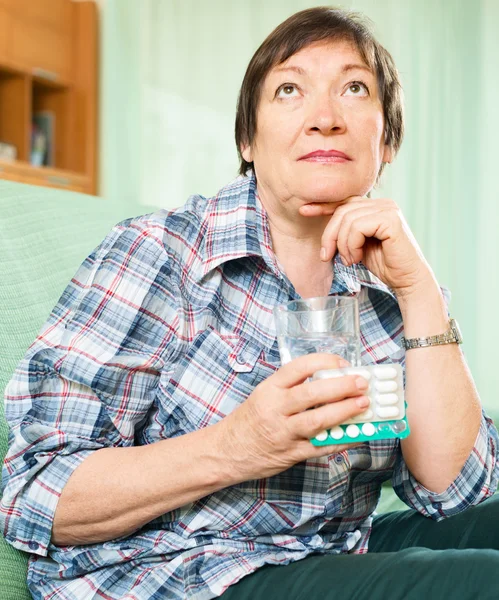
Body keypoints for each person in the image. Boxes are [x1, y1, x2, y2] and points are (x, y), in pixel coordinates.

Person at [2, 6, 498, 600]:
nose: (324, 118)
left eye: (354, 88)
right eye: (290, 89)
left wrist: (419, 291)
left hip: (327, 549)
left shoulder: (386, 288)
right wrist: (238, 447)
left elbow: (454, 489)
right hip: (175, 570)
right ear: (248, 138)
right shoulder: (162, 252)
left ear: (385, 138)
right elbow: (35, 495)